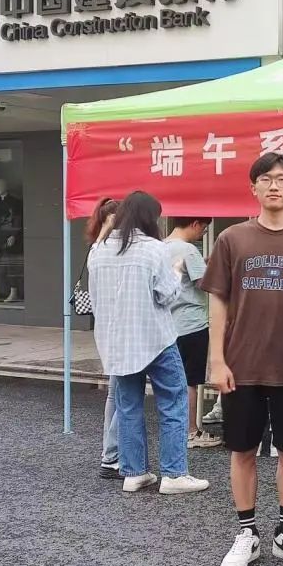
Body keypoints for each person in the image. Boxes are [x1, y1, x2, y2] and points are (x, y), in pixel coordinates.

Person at [201, 153, 283, 566]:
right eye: (266, 179)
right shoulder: (231, 239)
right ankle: (247, 532)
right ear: (253, 187)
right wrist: (217, 359)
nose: (274, 185)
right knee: (242, 450)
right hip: (242, 365)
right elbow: (218, 302)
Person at [88, 191, 210, 496]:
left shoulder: (98, 251)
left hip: (117, 342)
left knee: (128, 405)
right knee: (174, 400)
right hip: (155, 338)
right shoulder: (153, 249)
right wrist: (176, 272)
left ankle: (134, 473)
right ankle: (174, 473)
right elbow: (167, 295)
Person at [165, 217, 219, 449]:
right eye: (204, 229)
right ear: (195, 224)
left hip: (168, 323)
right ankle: (190, 431)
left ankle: (174, 429)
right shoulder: (188, 250)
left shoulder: (160, 246)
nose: (203, 234)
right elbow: (205, 283)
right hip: (191, 323)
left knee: (171, 380)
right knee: (190, 381)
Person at [86, 196, 122, 480]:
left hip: (106, 331)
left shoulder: (96, 251)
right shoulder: (118, 251)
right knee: (124, 396)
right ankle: (111, 455)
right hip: (124, 332)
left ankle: (110, 454)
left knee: (115, 393)